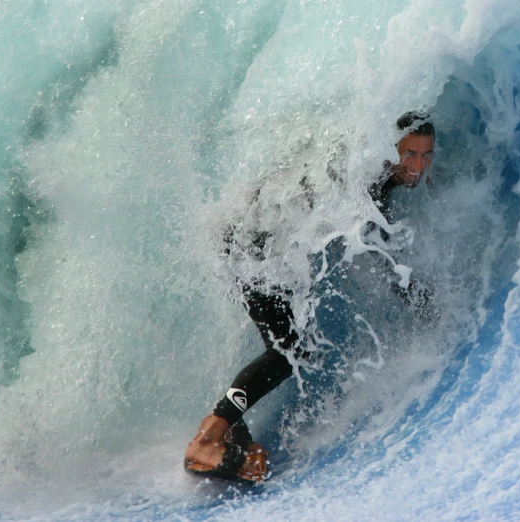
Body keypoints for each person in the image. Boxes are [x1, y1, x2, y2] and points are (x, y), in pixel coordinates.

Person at [184, 112, 436, 483]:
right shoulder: (371, 179)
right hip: (253, 241)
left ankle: (233, 428)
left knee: (284, 345)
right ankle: (208, 436)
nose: (417, 166)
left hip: (253, 234)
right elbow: (383, 256)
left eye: (426, 155)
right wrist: (426, 307)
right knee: (288, 350)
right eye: (409, 154)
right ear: (390, 148)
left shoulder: (372, 165)